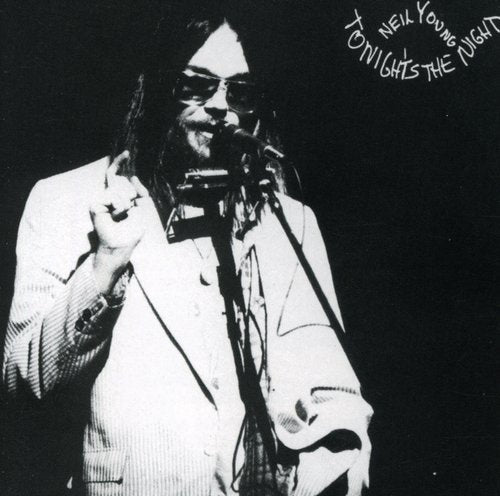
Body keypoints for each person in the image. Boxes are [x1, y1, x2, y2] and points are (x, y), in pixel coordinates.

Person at [3, 8, 372, 496]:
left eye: (240, 92)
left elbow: (332, 387)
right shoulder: (65, 199)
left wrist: (331, 465)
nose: (220, 106)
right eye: (196, 85)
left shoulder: (291, 219)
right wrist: (105, 265)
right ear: (157, 88)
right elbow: (22, 379)